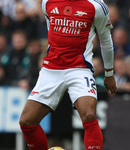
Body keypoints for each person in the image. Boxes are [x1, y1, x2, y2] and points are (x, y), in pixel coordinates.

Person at [19, 0, 117, 150]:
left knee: (89, 115)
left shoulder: (97, 6)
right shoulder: (47, 2)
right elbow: (50, 30)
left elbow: (106, 40)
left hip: (80, 69)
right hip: (51, 70)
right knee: (27, 121)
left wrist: (109, 73)